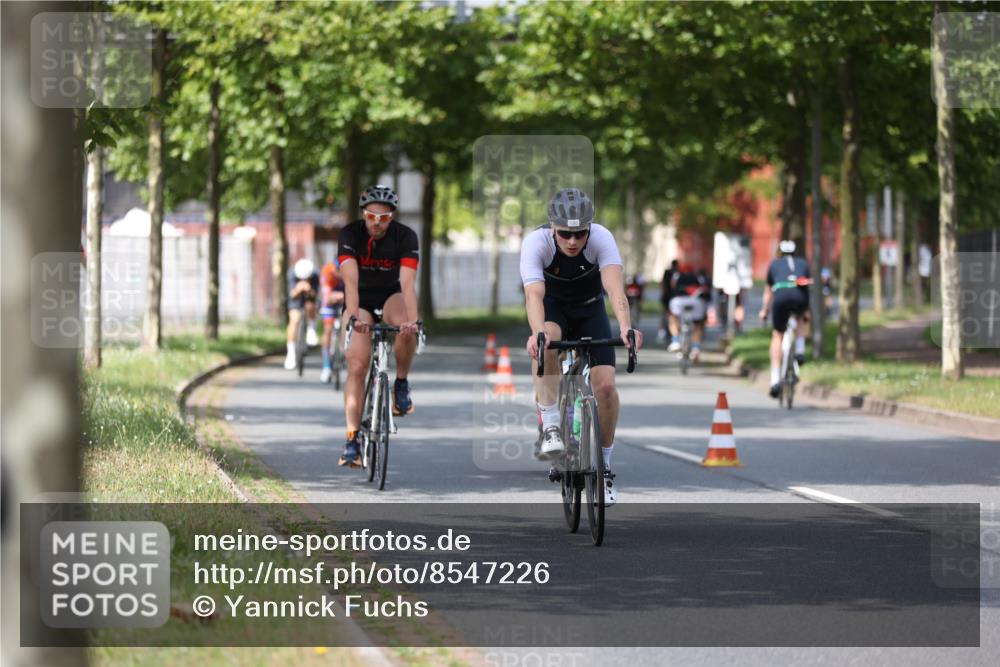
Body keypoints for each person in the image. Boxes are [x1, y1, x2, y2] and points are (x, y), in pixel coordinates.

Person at [520, 188, 643, 506]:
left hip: (590, 310)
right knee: (547, 341)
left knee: (606, 387)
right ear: (552, 227)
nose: (573, 241)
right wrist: (537, 333)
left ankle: (605, 469)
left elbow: (615, 289)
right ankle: (550, 425)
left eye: (580, 233)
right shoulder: (536, 243)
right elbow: (533, 295)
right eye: (565, 234)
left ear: (590, 229)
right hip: (552, 308)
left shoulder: (602, 238)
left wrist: (626, 328)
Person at [337, 185, 420, 467]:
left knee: (406, 323)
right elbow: (350, 283)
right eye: (371, 216)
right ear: (363, 213)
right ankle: (352, 440)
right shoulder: (350, 235)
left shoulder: (405, 237)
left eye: (383, 218)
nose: (376, 223)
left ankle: (401, 383)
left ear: (391, 217)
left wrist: (413, 321)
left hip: (390, 295)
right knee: (357, 366)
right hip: (359, 299)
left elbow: (407, 284)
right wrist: (353, 318)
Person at [759, 239, 811, 398]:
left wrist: (764, 310)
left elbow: (768, 292)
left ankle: (775, 379)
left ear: (779, 253)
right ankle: (800, 350)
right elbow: (806, 287)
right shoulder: (803, 263)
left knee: (777, 335)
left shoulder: (774, 264)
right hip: (800, 297)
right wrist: (807, 312)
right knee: (801, 318)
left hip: (781, 296)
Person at [666, 263, 709, 360]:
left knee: (673, 317)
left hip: (679, 301)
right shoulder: (699, 277)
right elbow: (705, 290)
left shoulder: (677, 276)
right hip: (696, 301)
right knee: (697, 325)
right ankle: (696, 348)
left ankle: (675, 341)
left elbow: (671, 289)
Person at [284, 257, 319, 370]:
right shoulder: (291, 274)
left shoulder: (315, 275)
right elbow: (292, 295)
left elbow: (315, 295)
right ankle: (291, 353)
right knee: (294, 319)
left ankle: (311, 329)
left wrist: (309, 290)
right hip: (295, 298)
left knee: (310, 306)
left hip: (309, 298)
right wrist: (299, 289)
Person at [318, 259, 346, 383]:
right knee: (328, 329)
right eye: (338, 270)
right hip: (330, 301)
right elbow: (327, 297)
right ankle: (326, 366)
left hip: (346, 298)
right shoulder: (327, 271)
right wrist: (335, 297)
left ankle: (345, 353)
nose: (340, 273)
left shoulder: (351, 271)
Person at [657, 260, 680, 343]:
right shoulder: (678, 273)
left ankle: (663, 331)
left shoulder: (668, 272)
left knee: (665, 314)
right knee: (673, 315)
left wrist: (663, 293)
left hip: (667, 296)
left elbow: (662, 283)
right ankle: (670, 332)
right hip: (674, 296)